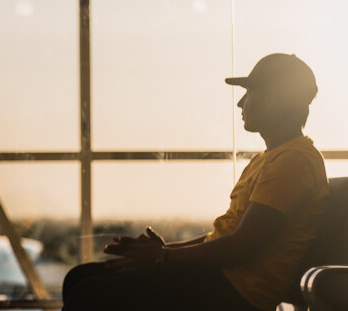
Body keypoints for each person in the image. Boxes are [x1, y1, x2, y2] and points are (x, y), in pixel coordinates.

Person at [62, 53, 329, 311]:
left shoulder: (293, 162)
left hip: (237, 294)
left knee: (90, 292)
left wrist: (162, 258)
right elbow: (227, 237)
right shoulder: (272, 158)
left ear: (269, 100)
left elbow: (241, 247)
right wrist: (163, 251)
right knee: (80, 277)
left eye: (249, 94)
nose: (241, 104)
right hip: (221, 279)